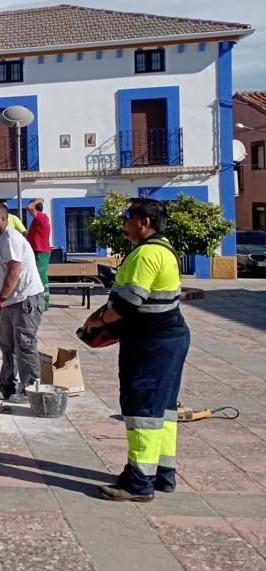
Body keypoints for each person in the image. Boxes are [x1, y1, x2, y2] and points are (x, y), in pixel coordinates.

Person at [83, 198, 189, 502]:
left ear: (143, 222)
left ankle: (138, 483)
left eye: (127, 216)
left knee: (142, 409)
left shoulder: (146, 255)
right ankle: (161, 474)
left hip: (150, 343)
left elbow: (128, 305)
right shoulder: (164, 248)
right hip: (168, 338)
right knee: (163, 410)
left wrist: (97, 322)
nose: (123, 222)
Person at [0, 201, 46, 403]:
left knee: (24, 344)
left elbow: (14, 272)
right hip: (12, 301)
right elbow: (2, 275)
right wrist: (0, 301)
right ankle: (7, 385)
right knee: (7, 344)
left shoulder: (10, 238)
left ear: (3, 218)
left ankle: (31, 390)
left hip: (26, 299)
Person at [26, 197, 52, 308]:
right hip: (39, 251)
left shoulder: (40, 217)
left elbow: (29, 207)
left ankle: (41, 303)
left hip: (40, 252)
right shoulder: (39, 220)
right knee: (42, 277)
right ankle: (44, 302)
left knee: (39, 278)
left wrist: (38, 200)